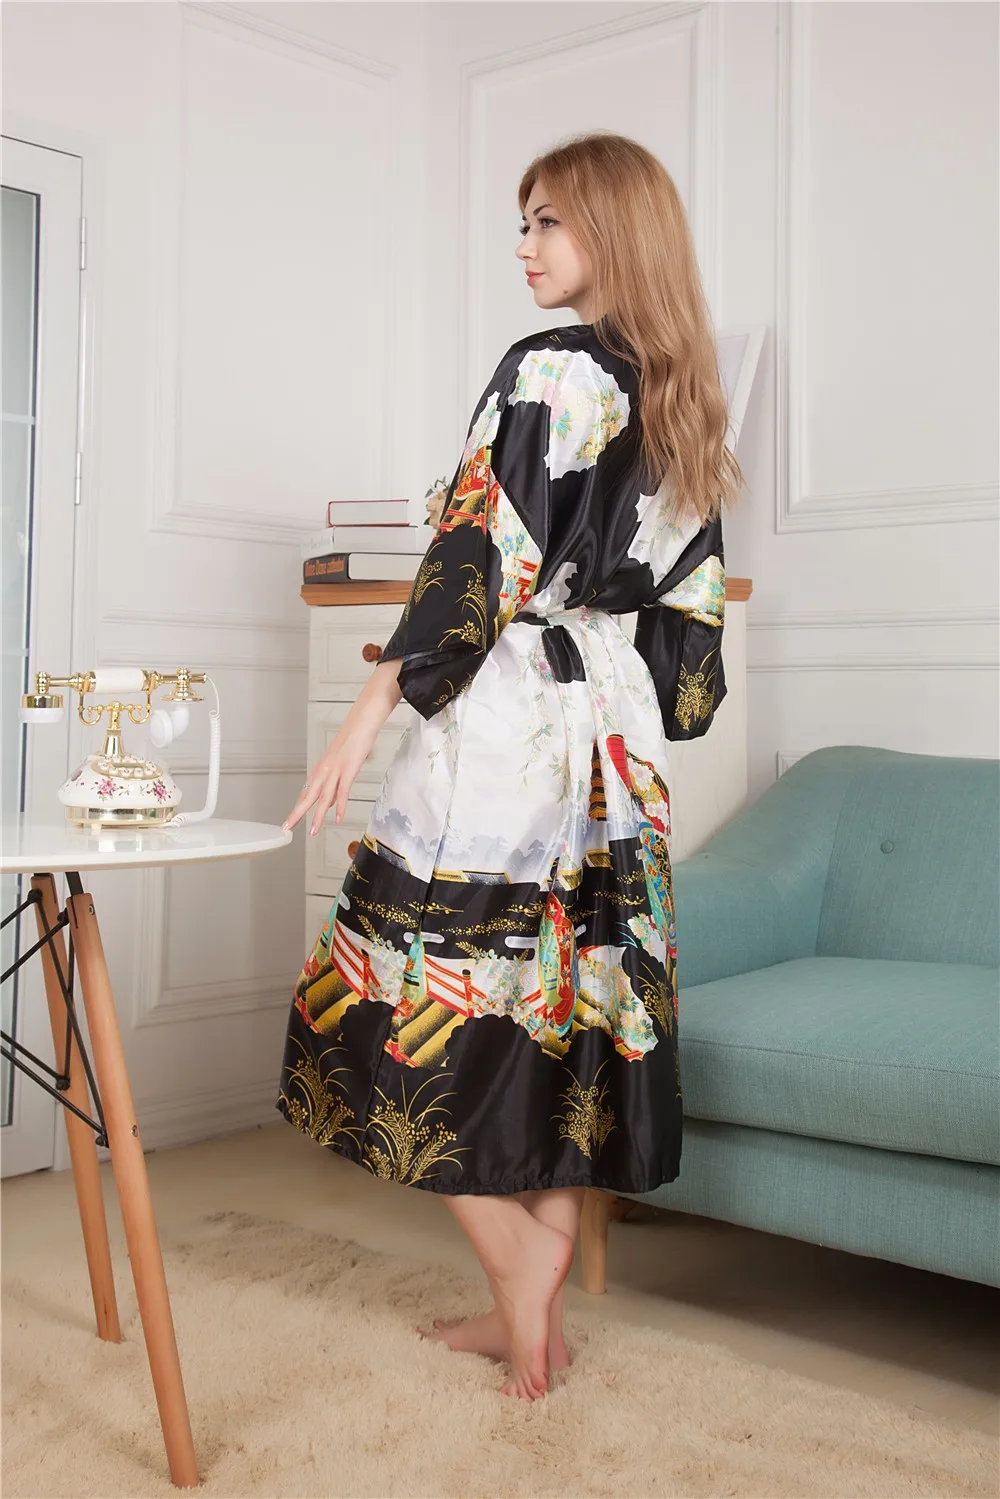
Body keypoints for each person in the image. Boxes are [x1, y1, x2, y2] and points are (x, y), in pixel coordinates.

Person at [277, 131, 743, 1402]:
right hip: (609, 737)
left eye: (547, 222)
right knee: (557, 1008)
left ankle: (525, 1260)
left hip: (509, 726)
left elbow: (472, 557)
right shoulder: (682, 395)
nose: (524, 247)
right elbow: (691, 631)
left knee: (391, 998)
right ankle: (521, 1306)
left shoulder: (549, 368)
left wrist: (367, 711)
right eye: (521, 223)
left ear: (612, 230)